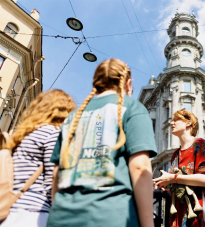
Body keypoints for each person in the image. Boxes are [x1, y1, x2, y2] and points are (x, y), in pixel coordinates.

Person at [47, 59, 157, 227]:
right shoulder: (133, 108)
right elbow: (140, 167)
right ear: (128, 84)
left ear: (96, 84)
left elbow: (56, 174)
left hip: (62, 217)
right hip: (111, 215)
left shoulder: (73, 116)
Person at [0, 89, 76, 227]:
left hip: (10, 209)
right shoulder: (53, 134)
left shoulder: (23, 135)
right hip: (33, 213)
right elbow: (53, 179)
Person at [153, 109, 205, 227]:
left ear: (188, 123)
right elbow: (179, 185)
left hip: (198, 210)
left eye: (176, 120)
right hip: (179, 212)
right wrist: (165, 186)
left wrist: (173, 178)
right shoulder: (175, 154)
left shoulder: (199, 144)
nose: (171, 123)